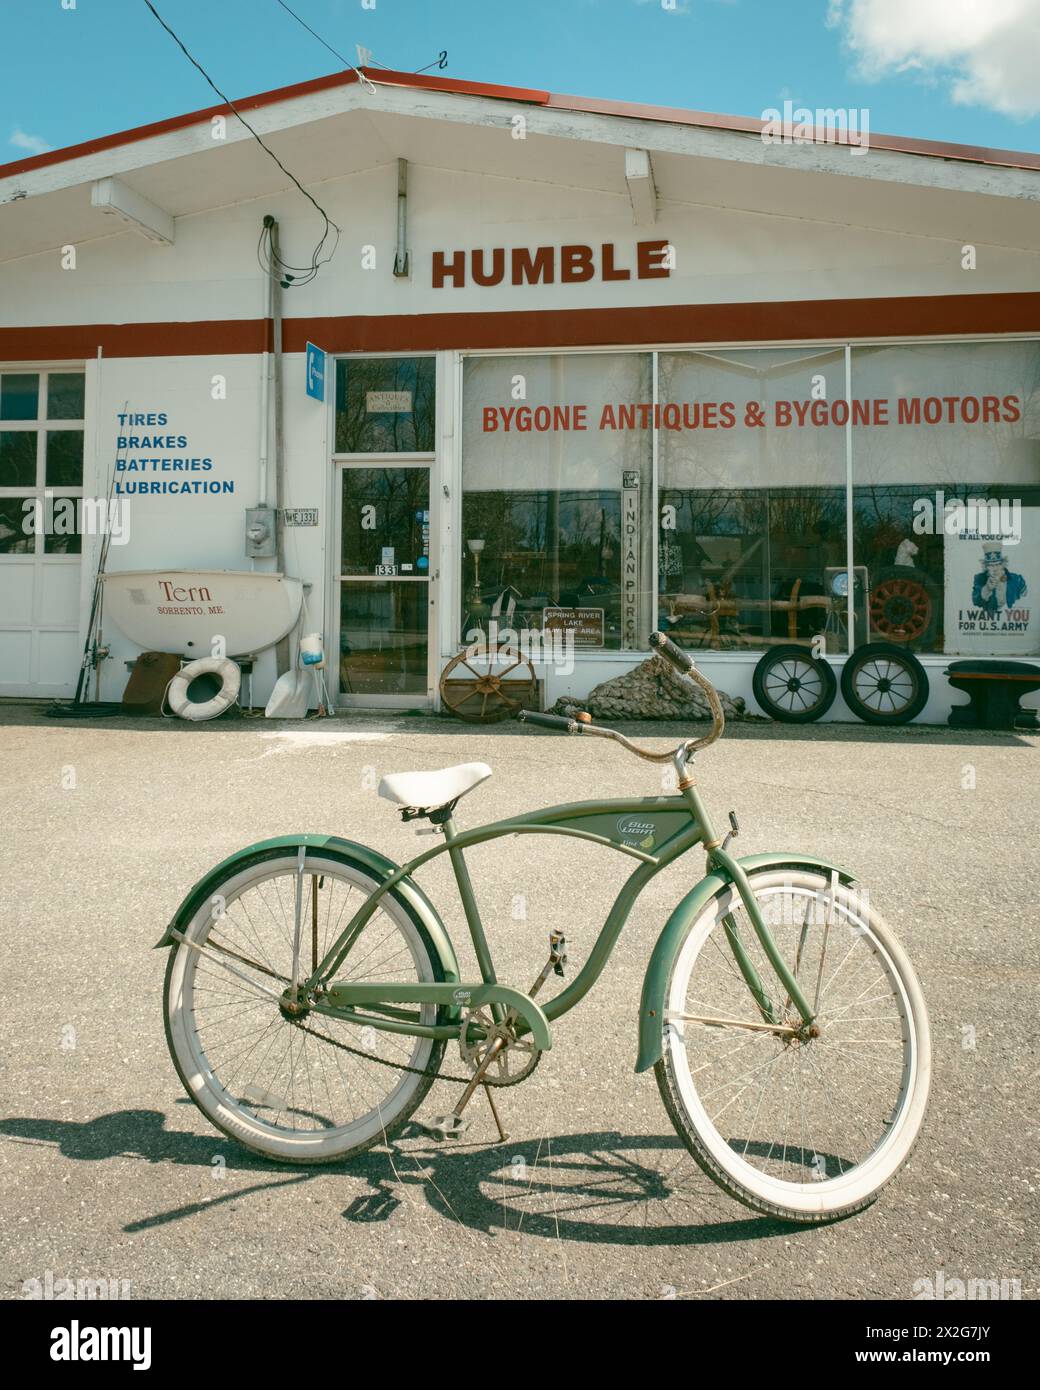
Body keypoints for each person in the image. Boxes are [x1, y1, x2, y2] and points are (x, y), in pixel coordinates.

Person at [972, 546, 1027, 614]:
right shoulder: (979, 579)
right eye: (991, 565)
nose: (995, 569)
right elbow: (976, 602)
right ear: (986, 567)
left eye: (998, 564)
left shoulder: (1017, 580)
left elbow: (1026, 600)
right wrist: (987, 589)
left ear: (1003, 564)